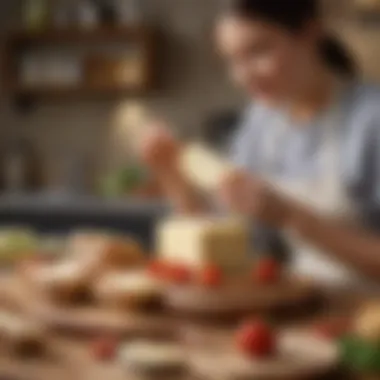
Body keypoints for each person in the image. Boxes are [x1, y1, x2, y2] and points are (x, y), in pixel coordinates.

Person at [139, 0, 380, 289]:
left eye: (258, 51)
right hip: (301, 306)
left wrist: (292, 218)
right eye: (231, 60)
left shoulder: (370, 119)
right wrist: (171, 174)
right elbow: (226, 243)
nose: (242, 77)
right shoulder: (262, 123)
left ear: (310, 33)